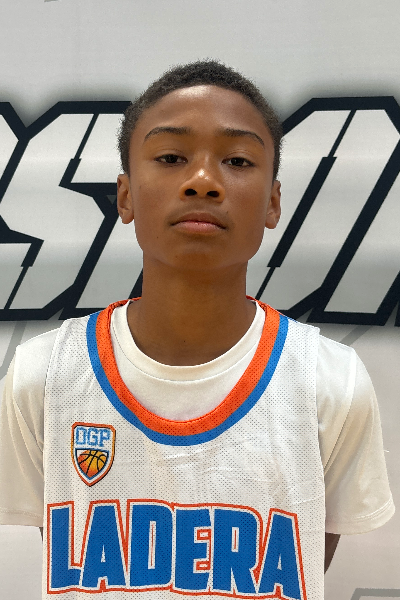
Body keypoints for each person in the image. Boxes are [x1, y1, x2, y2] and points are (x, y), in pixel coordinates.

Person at [0, 60, 394, 600]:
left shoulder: (330, 382)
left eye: (237, 160)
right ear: (125, 196)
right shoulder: (43, 377)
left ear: (273, 202)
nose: (203, 182)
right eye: (170, 157)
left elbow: (307, 559)